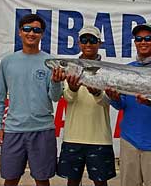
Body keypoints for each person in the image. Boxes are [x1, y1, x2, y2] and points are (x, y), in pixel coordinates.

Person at [0, 14, 63, 186]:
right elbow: (0, 96)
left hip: (42, 129)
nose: (31, 33)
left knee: (42, 179)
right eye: (27, 29)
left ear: (42, 34)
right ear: (20, 32)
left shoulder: (51, 62)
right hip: (13, 130)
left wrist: (55, 82)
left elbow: (54, 97)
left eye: (37, 30)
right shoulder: (8, 62)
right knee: (10, 179)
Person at [106, 23, 151, 186]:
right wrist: (114, 98)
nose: (143, 42)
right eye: (139, 39)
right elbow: (122, 105)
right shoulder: (127, 69)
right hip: (129, 140)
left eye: (148, 38)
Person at [53, 25, 116, 186]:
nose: (88, 43)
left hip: (100, 138)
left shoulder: (108, 69)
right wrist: (73, 89)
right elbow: (67, 98)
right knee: (72, 182)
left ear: (99, 43)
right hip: (73, 136)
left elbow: (109, 101)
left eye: (92, 40)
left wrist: (96, 93)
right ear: (79, 43)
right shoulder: (69, 66)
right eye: (84, 40)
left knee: (101, 183)